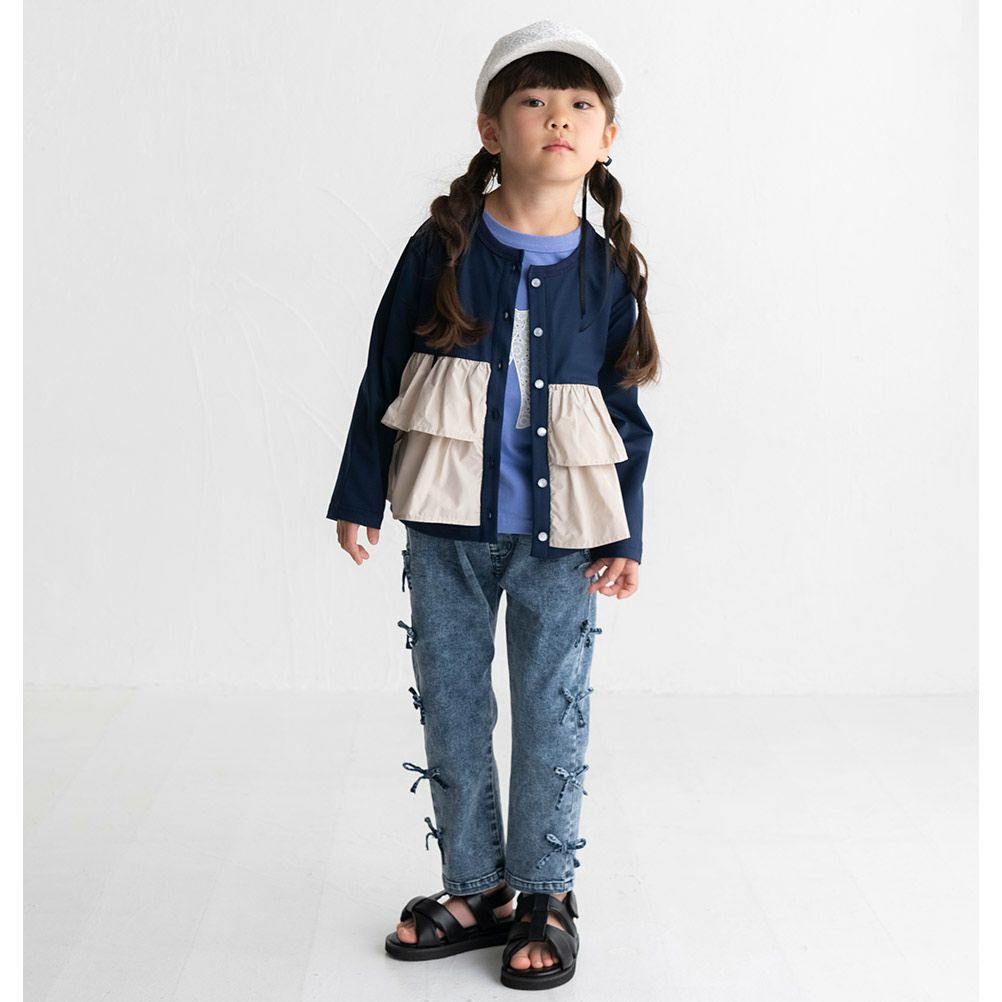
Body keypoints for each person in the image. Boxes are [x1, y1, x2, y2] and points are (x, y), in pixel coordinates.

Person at [325, 19, 660, 991]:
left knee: (554, 709)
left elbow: (625, 412)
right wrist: (360, 493)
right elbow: (385, 368)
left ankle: (547, 891)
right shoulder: (442, 246)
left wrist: (627, 533)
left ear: (605, 139)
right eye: (533, 99)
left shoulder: (607, 270)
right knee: (455, 704)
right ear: (489, 127)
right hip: (445, 530)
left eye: (580, 104)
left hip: (567, 539)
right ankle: (477, 889)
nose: (558, 116)